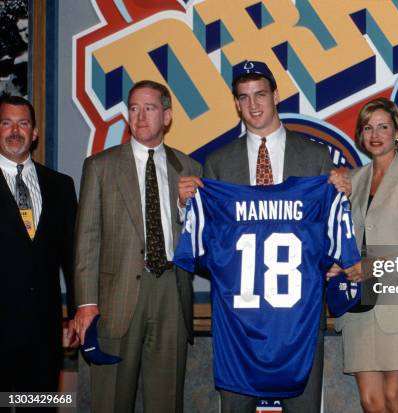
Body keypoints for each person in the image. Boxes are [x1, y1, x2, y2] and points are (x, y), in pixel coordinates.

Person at [178, 60, 351, 413]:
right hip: (238, 319)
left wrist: (342, 196)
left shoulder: (317, 157)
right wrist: (188, 207)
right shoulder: (218, 164)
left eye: (260, 94)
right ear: (236, 104)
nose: (253, 105)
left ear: (275, 95)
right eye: (243, 97)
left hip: (299, 317)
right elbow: (209, 245)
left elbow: (331, 235)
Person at [72, 80, 203, 412]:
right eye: (133, 108)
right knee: (111, 400)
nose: (140, 117)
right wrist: (86, 303)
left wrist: (185, 208)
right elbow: (86, 239)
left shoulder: (188, 168)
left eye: (150, 108)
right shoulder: (100, 166)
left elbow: (203, 241)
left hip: (171, 292)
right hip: (116, 298)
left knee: (166, 401)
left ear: (167, 116)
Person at [332, 97, 398, 413]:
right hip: (357, 304)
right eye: (368, 127)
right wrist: (334, 266)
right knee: (370, 401)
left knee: (395, 396)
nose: (375, 134)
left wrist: (373, 267)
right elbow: (337, 239)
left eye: (383, 126)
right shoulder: (351, 181)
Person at [0, 95, 78, 397]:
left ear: (34, 133)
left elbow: (73, 258)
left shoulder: (60, 186)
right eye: (6, 123)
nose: (15, 131)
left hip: (43, 333)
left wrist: (75, 313)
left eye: (23, 123)